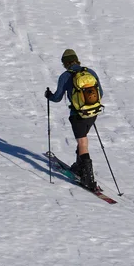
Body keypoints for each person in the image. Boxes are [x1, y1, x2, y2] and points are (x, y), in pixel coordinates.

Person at [45, 48, 104, 189]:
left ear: (65, 63)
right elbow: (100, 92)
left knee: (82, 141)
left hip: (78, 115)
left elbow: (57, 98)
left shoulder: (65, 76)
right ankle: (79, 166)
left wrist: (49, 95)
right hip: (93, 113)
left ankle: (87, 177)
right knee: (83, 138)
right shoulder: (90, 72)